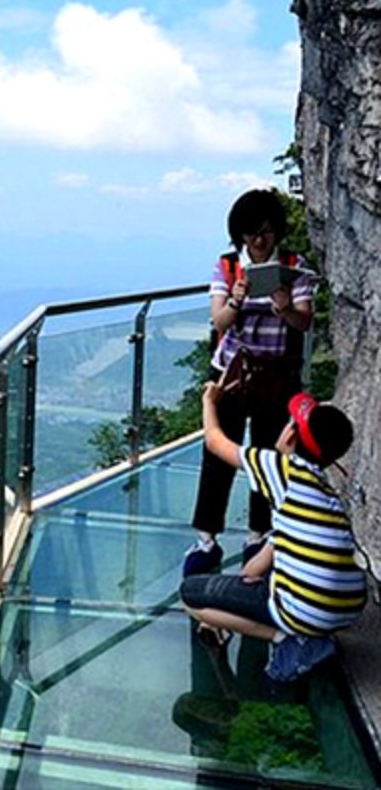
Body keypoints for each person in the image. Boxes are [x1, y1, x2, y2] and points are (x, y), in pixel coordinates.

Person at [180, 382, 366, 681]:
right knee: (254, 584)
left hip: (306, 611)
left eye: (289, 422)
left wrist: (209, 401)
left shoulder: (281, 469)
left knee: (191, 596)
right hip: (347, 609)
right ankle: (304, 632)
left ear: (290, 435)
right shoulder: (326, 494)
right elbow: (258, 565)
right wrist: (246, 581)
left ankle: (288, 640)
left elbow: (216, 442)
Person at [183, 188, 316, 577]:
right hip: (232, 375)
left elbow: (304, 322)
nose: (259, 240)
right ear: (239, 233)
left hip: (276, 376)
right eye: (252, 232)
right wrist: (237, 300)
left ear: (277, 232)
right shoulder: (226, 268)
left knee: (267, 455)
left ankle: (257, 535)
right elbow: (219, 322)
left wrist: (285, 305)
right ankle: (206, 538)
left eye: (267, 231)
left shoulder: (294, 267)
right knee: (216, 457)